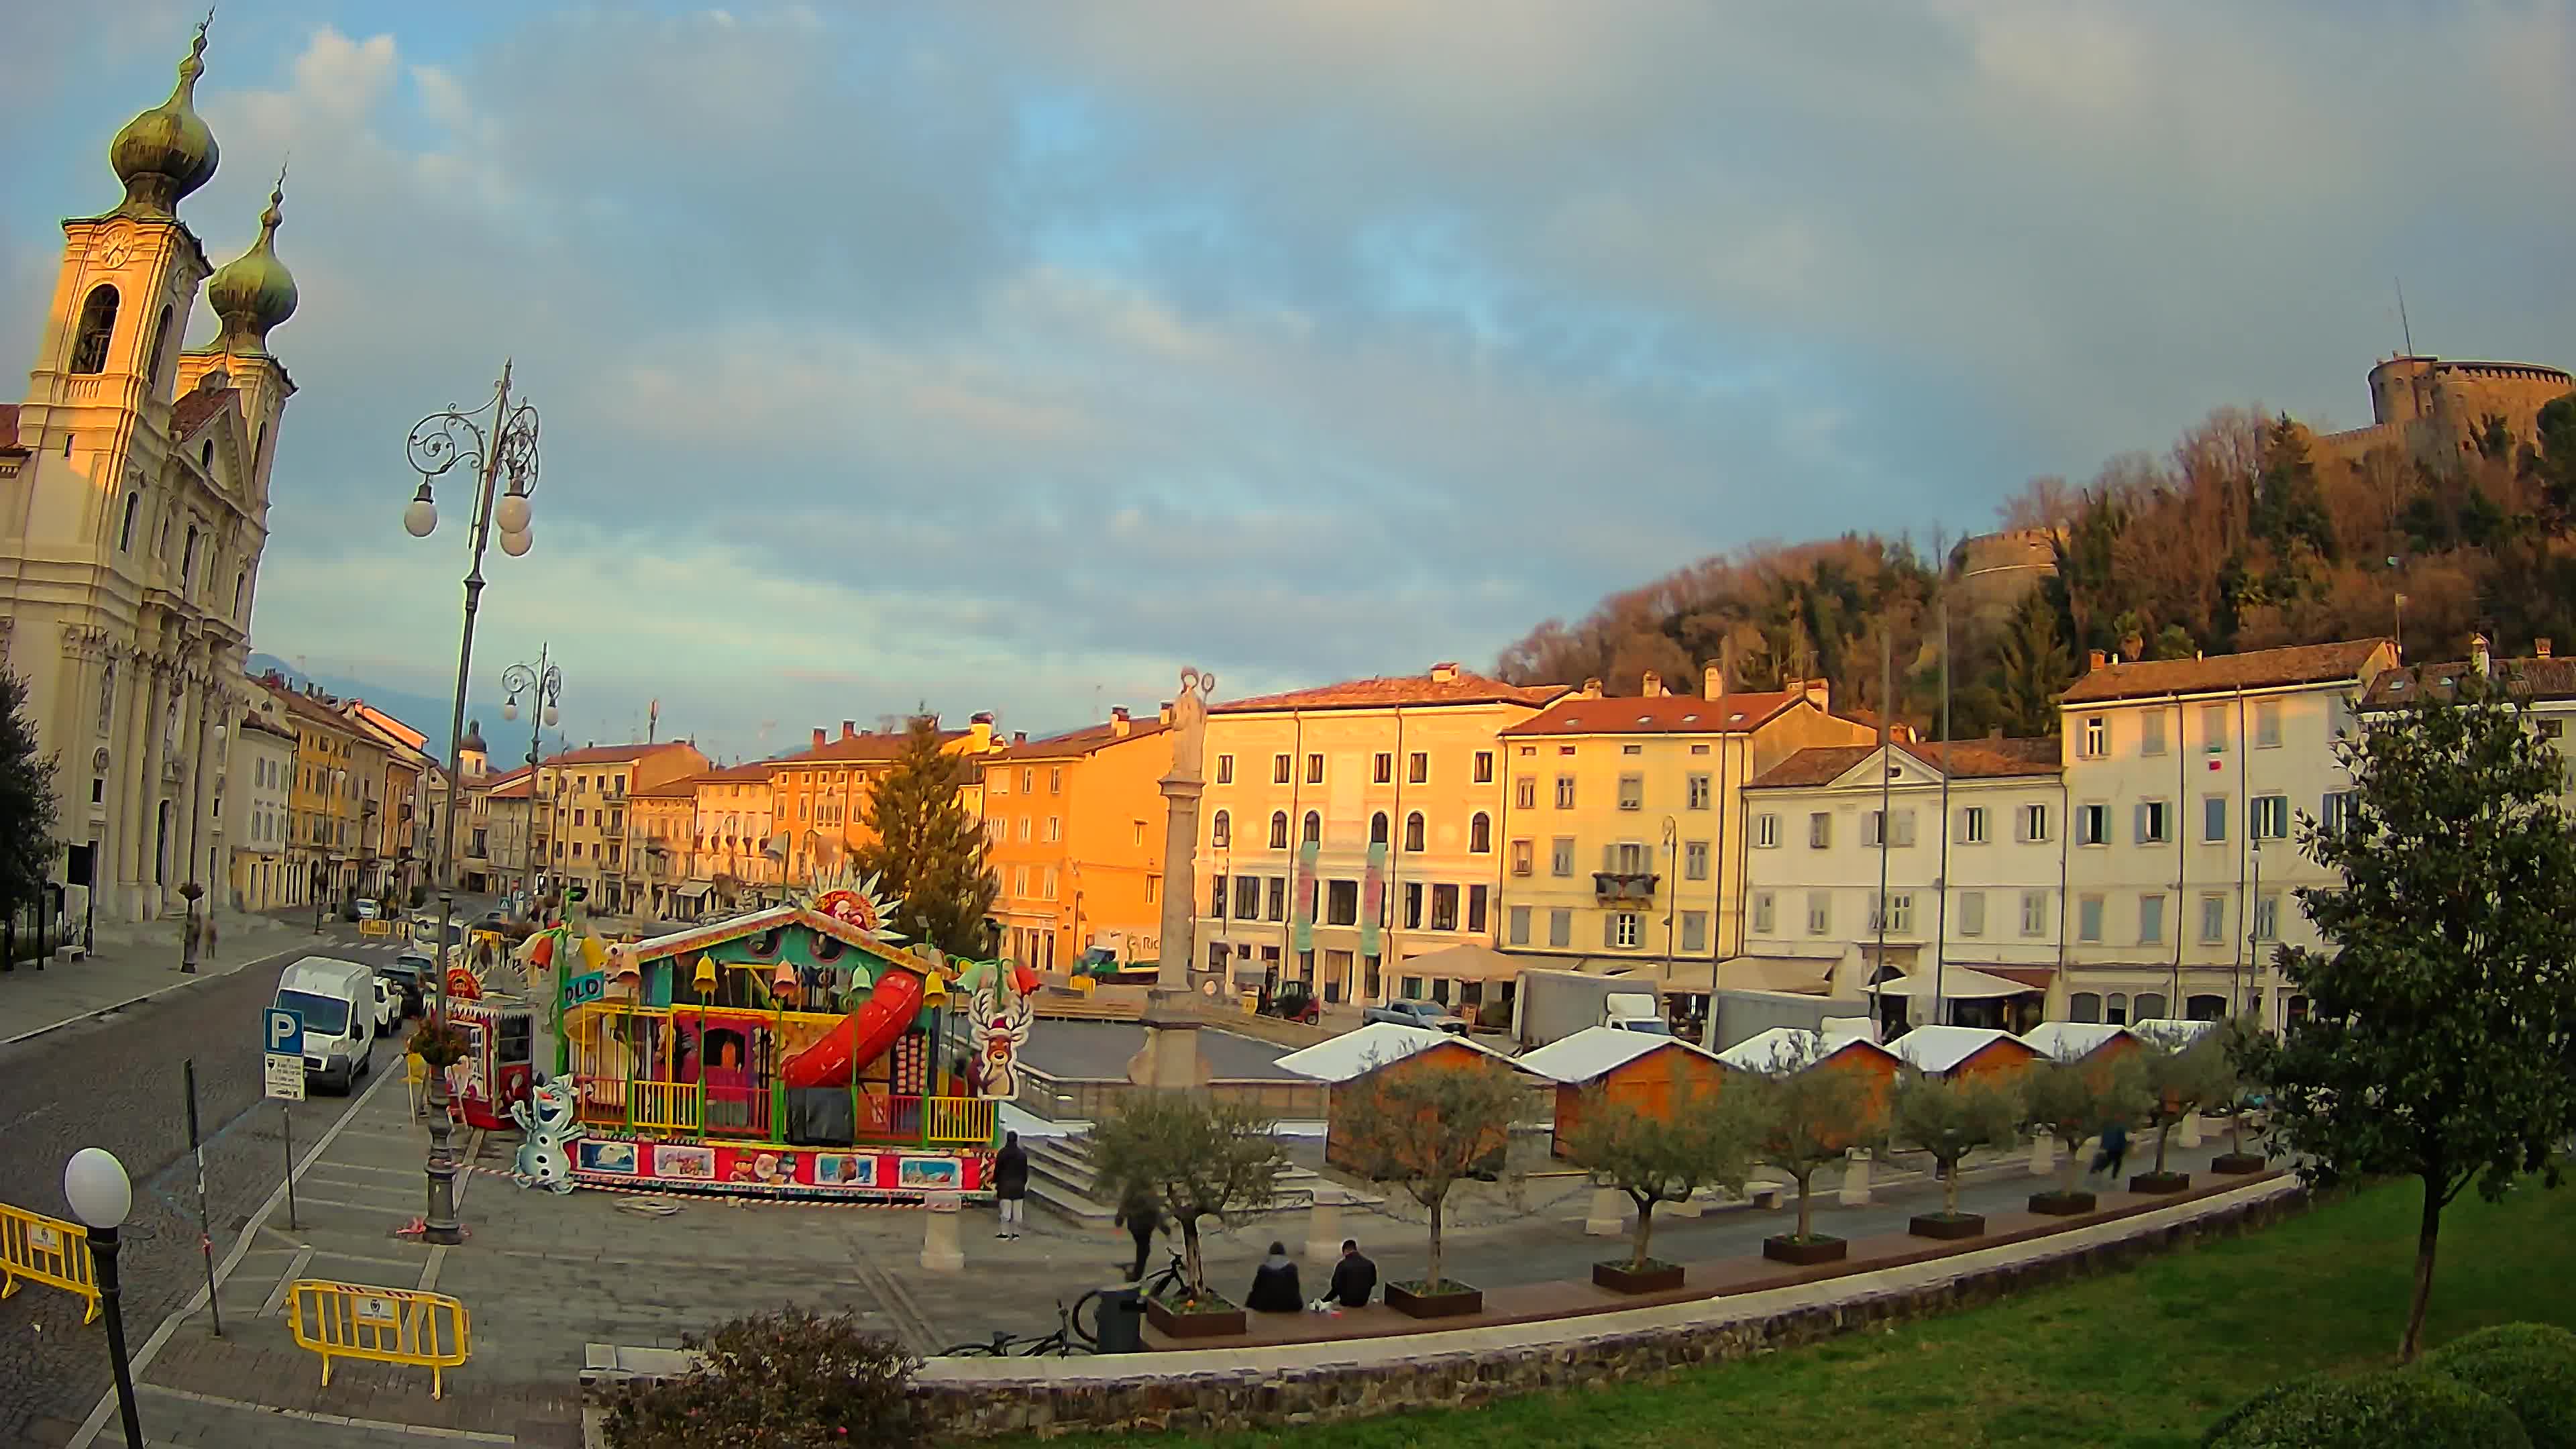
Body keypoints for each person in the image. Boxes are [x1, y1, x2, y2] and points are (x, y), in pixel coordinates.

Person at [1114, 1185, 1164, 1283]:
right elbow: (1156, 1210)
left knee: (1143, 1248)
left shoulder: (1132, 1188)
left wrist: (1119, 1220)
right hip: (1145, 1225)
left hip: (1135, 1225)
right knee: (1144, 1248)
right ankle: (1136, 1276)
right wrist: (1164, 1227)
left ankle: (1136, 1275)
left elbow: (1124, 1205)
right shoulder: (1148, 1190)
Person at [1245, 1240, 1302, 1313]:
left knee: (1254, 1295)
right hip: (1290, 1306)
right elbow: (1296, 1288)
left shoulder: (1263, 1268)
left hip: (1266, 1306)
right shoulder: (1292, 1268)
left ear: (1270, 1253)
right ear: (1284, 1253)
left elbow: (1256, 1288)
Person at [993, 1130, 1029, 1240]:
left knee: (1006, 1212)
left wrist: (996, 1182)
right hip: (1019, 1187)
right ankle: (1016, 1234)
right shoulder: (1022, 1155)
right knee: (1018, 1213)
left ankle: (1004, 1233)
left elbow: (998, 1170)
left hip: (1005, 1186)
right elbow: (1025, 1172)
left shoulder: (1002, 1153)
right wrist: (1023, 1183)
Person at [1326, 1238, 1377, 1309]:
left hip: (1346, 1303)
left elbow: (1335, 1286)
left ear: (1345, 1251)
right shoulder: (1370, 1264)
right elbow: (1373, 1282)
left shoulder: (1342, 1265)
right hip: (1363, 1302)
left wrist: (1325, 1301)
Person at [2089, 1116, 2131, 1184]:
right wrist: (2125, 1147)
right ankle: (2112, 1177)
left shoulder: (2109, 1129)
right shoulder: (2120, 1128)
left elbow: (2105, 1138)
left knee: (2109, 1161)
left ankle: (2097, 1170)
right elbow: (2122, 1140)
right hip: (2117, 1149)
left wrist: (2103, 1147)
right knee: (2116, 1163)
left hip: (2111, 1148)